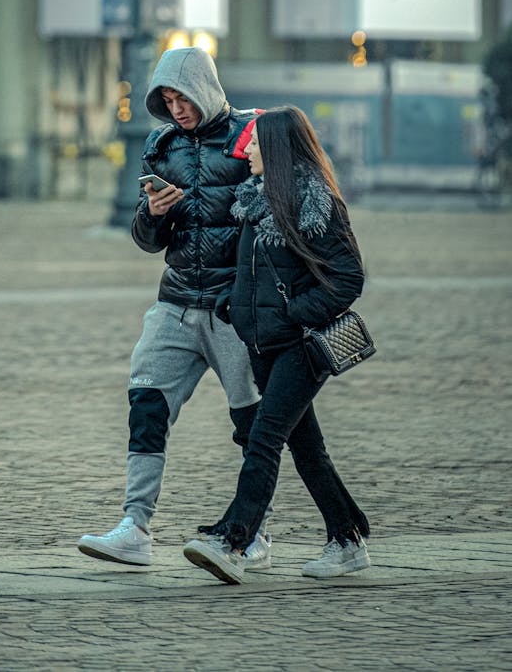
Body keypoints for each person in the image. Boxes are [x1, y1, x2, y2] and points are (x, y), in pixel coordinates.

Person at [78, 46, 271, 568]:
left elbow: (277, 213)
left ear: (204, 90)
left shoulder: (250, 136)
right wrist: (152, 213)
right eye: (166, 98)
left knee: (253, 425)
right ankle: (135, 527)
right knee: (145, 402)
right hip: (178, 301)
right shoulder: (161, 146)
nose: (176, 107)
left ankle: (253, 535)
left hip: (237, 308)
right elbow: (147, 240)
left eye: (182, 96)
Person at [183, 105, 371, 585]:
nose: (245, 150)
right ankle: (347, 539)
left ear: (278, 148)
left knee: (264, 438)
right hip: (262, 344)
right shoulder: (256, 198)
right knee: (306, 448)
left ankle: (234, 540)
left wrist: (293, 316)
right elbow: (255, 272)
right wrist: (234, 303)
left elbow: (348, 277)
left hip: (301, 347)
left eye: (254, 143)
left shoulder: (314, 200)